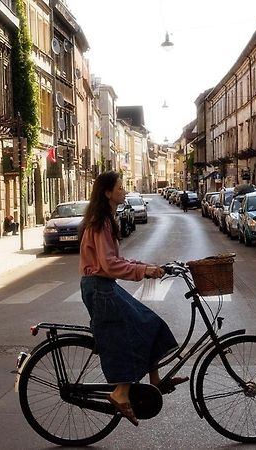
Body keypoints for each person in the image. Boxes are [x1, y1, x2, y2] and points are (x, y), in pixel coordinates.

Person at [78, 171, 188, 426]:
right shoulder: (101, 221)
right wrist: (142, 271)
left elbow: (116, 261)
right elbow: (109, 265)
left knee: (150, 322)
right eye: (119, 187)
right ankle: (120, 392)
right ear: (107, 192)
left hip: (102, 287)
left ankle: (155, 380)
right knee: (126, 337)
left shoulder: (104, 218)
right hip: (100, 288)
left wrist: (147, 266)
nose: (124, 191)